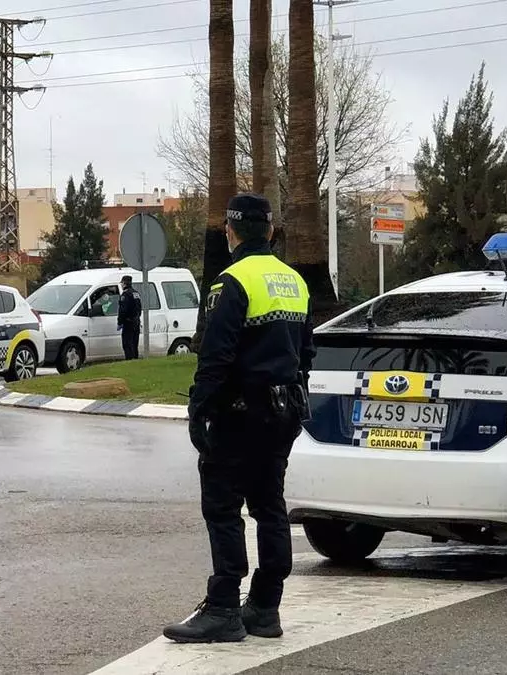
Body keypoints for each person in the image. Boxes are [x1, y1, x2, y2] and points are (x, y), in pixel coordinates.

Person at [163, 193, 315, 644]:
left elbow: (216, 356)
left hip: (239, 414)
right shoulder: (296, 282)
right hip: (283, 412)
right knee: (270, 506)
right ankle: (266, 607)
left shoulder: (231, 282)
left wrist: (199, 410)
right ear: (269, 231)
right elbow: (307, 353)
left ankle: (224, 608)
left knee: (223, 508)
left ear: (230, 232)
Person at [117, 275, 142, 360]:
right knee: (134, 344)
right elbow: (139, 308)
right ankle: (135, 360)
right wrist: (137, 318)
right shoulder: (136, 293)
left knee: (127, 344)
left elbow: (122, 310)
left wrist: (120, 322)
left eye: (122, 283)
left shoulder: (125, 295)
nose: (121, 285)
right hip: (136, 322)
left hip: (128, 323)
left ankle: (129, 360)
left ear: (124, 283)